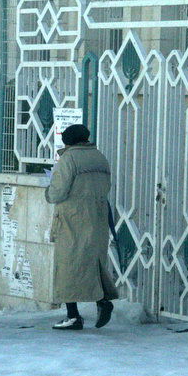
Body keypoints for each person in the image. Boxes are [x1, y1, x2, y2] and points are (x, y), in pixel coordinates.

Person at [45, 124, 118, 330]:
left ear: (68, 141)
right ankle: (102, 301)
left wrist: (48, 191)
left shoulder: (69, 159)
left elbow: (57, 193)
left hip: (72, 219)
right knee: (94, 263)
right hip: (97, 218)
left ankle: (73, 316)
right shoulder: (100, 157)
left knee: (68, 266)